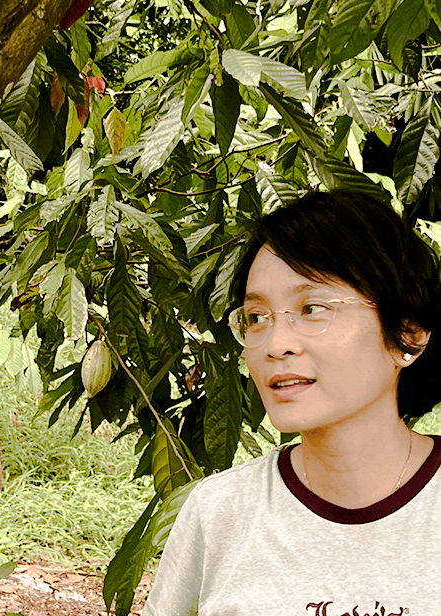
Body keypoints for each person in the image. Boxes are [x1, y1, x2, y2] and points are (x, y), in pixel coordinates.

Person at [142, 191, 441, 615]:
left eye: (313, 308)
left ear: (409, 334)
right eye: (257, 317)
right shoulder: (219, 513)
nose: (275, 345)